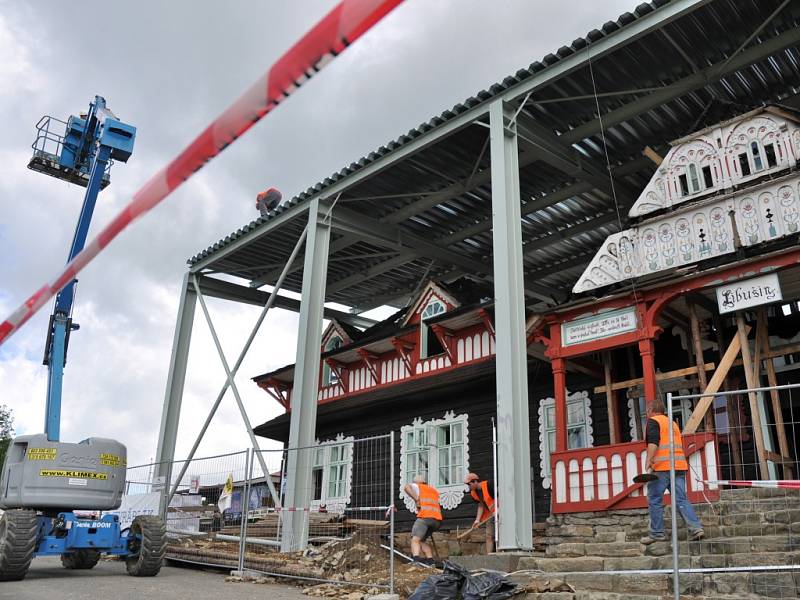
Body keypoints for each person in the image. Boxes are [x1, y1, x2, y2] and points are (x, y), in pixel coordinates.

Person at [640, 397, 705, 545]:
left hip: (662, 467)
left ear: (651, 411)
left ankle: (657, 533)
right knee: (681, 498)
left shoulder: (653, 421)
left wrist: (648, 459)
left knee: (655, 500)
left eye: (647, 411)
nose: (647, 414)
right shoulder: (672, 423)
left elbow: (653, 442)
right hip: (679, 466)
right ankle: (695, 528)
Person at [403, 474, 442, 564]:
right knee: (421, 541)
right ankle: (430, 561)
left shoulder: (418, 486)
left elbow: (406, 487)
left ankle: (416, 560)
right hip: (437, 521)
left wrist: (416, 499)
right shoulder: (433, 490)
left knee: (415, 539)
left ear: (417, 482)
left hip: (425, 517)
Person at [464, 472, 495, 553]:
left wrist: (497, 509)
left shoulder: (489, 485)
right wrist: (477, 520)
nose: (468, 486)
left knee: (500, 534)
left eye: (469, 484)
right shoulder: (473, 493)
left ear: (475, 481)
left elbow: (500, 496)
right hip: (490, 516)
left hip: (500, 513)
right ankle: (489, 556)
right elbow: (480, 505)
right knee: (489, 535)